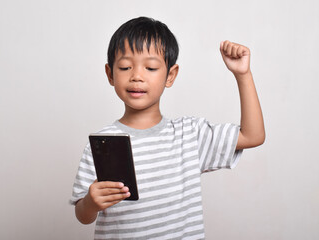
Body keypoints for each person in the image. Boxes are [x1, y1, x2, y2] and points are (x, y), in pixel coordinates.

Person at [70, 16, 265, 239]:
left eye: (151, 67)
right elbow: (83, 215)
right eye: (125, 67)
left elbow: (253, 135)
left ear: (170, 76)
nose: (136, 76)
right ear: (110, 74)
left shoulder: (189, 135)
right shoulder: (101, 145)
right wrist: (91, 203)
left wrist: (243, 75)